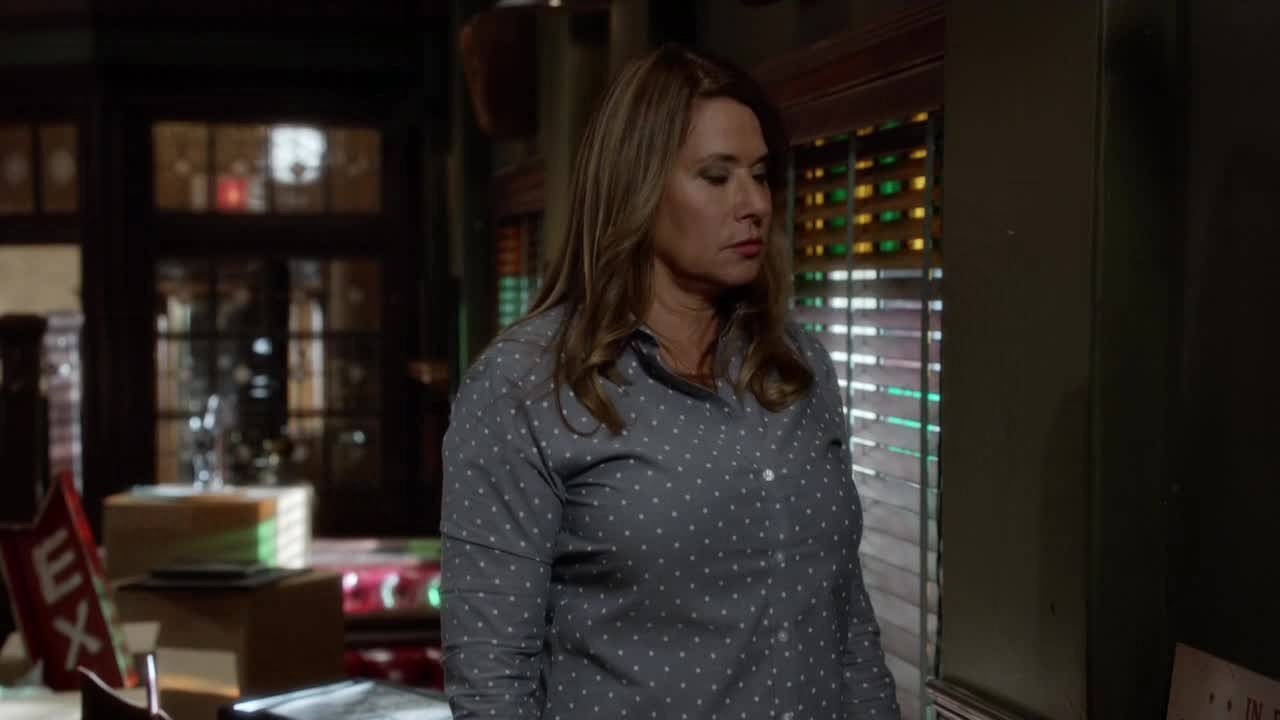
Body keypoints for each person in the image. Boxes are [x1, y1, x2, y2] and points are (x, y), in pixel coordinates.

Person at [440, 43, 899, 719]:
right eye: (717, 177)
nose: (754, 204)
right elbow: (491, 682)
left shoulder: (794, 364)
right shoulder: (525, 384)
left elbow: (847, 622)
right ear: (638, 187)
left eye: (760, 175)